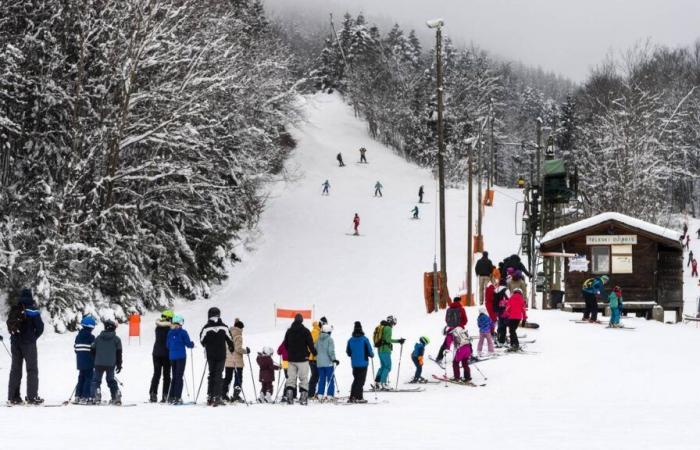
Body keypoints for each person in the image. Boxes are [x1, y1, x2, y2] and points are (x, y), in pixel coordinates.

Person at [6, 288, 44, 405]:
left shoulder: (15, 308)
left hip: (15, 343)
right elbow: (40, 328)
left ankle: (13, 397)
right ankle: (32, 397)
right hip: (29, 344)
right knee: (32, 370)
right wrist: (33, 337)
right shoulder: (33, 310)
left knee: (15, 370)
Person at [199, 307, 234, 406]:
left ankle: (210, 396)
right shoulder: (224, 327)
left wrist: (207, 344)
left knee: (212, 374)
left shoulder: (206, 328)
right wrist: (231, 348)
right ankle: (217, 397)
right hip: (221, 354)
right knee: (218, 374)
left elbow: (202, 340)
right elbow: (230, 339)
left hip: (211, 355)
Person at [283, 313, 316, 405]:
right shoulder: (305, 331)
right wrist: (314, 353)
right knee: (303, 378)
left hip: (291, 359)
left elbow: (285, 344)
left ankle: (289, 395)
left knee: (291, 378)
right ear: (302, 321)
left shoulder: (289, 331)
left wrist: (291, 351)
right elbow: (310, 344)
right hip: (303, 359)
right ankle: (303, 397)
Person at [90, 320, 123, 405]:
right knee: (111, 380)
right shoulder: (117, 339)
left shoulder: (98, 338)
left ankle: (97, 394)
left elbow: (92, 350)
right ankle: (116, 394)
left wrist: (94, 359)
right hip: (111, 364)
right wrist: (119, 365)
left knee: (96, 381)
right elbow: (119, 353)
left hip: (98, 363)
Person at [167, 314, 194, 405]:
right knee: (179, 376)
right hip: (181, 357)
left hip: (172, 357)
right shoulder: (183, 332)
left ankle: (171, 396)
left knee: (174, 376)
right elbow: (188, 344)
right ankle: (177, 397)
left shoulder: (170, 332)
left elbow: (167, 345)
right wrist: (192, 344)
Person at [372, 315, 405, 391]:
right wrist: (399, 341)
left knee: (383, 366)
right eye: (394, 322)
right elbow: (387, 340)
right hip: (385, 350)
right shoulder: (388, 328)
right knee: (387, 367)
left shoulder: (381, 327)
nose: (394, 324)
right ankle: (384, 383)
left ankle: (377, 383)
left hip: (380, 349)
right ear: (392, 321)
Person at [346, 321, 373, 403]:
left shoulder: (350, 340)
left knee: (356, 379)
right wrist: (371, 355)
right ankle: (358, 397)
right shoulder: (365, 339)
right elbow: (370, 351)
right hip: (363, 363)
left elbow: (348, 352)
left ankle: (353, 396)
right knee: (360, 381)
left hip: (354, 364)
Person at [149, 310, 173, 403]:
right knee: (167, 375)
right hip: (167, 354)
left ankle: (153, 394)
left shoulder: (158, 327)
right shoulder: (170, 329)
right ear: (168, 318)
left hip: (156, 354)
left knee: (156, 374)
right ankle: (165, 394)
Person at [435, 297, 467, 365]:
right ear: (459, 301)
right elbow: (465, 320)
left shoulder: (449, 309)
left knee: (446, 344)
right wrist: (461, 324)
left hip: (451, 329)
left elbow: (446, 320)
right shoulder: (461, 309)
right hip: (459, 329)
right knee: (465, 343)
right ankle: (467, 357)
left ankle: (439, 358)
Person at [223, 318, 249, 403]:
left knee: (228, 378)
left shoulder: (228, 333)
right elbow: (238, 349)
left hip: (228, 360)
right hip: (237, 361)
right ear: (240, 328)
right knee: (238, 377)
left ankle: (224, 394)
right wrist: (246, 351)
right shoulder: (238, 336)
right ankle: (236, 395)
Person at [73, 315, 96, 405]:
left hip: (80, 362)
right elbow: (94, 350)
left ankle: (77, 396)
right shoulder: (91, 337)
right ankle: (85, 397)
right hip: (89, 362)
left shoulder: (78, 336)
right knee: (88, 379)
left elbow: (75, 349)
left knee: (81, 378)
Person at [315, 324, 338, 402]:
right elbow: (330, 351)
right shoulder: (329, 339)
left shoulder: (318, 339)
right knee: (330, 379)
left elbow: (315, 349)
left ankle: (320, 395)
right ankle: (329, 395)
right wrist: (334, 359)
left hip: (319, 363)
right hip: (328, 363)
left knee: (321, 379)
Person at [308, 317, 327, 399]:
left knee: (317, 376)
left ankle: (313, 393)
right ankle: (310, 394)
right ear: (321, 323)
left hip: (318, 358)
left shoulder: (320, 332)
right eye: (325, 324)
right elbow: (310, 344)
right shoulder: (315, 331)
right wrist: (314, 352)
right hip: (313, 358)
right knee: (315, 376)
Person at [494, 280, 509, 346]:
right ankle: (502, 340)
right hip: (504, 309)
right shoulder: (506, 290)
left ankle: (499, 337)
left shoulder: (496, 290)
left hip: (497, 309)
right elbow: (509, 298)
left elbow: (494, 300)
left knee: (500, 323)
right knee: (504, 325)